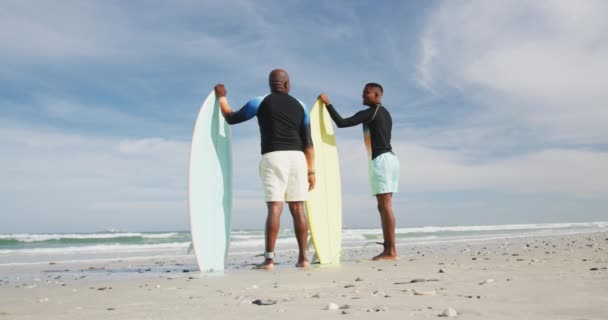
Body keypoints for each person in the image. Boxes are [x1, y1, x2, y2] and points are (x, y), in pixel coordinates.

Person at [214, 69, 315, 269]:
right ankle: (303, 258)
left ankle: (269, 260)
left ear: (271, 85)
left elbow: (231, 118)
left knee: (275, 207)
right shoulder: (302, 106)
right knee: (298, 208)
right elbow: (309, 143)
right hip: (298, 158)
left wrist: (222, 98)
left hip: (273, 156)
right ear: (287, 85)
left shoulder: (259, 101)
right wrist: (311, 171)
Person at [318, 83, 399, 260]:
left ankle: (391, 251)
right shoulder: (385, 113)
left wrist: (327, 103)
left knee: (385, 206)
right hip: (390, 160)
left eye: (367, 93)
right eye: (363, 92)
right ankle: (389, 248)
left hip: (382, 160)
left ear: (377, 95)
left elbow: (342, 123)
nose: (363, 95)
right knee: (384, 206)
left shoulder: (372, 112)